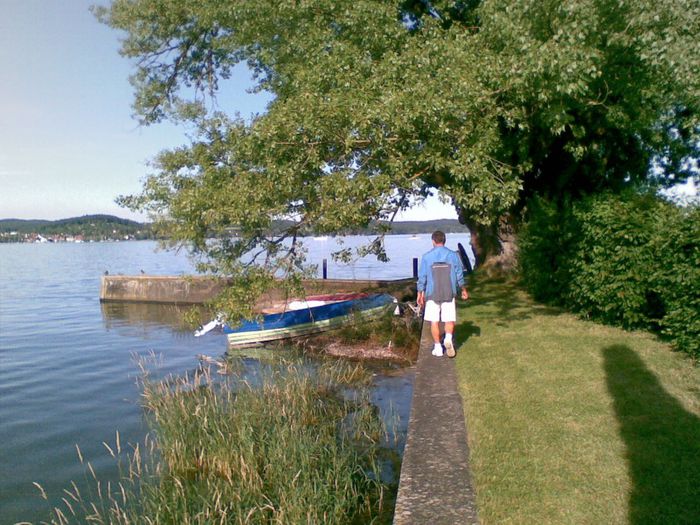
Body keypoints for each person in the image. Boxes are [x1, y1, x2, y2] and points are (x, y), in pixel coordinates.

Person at [416, 231, 469, 357]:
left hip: (432, 293)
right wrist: (463, 289)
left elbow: (422, 277)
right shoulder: (453, 255)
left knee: (434, 321)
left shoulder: (427, 257)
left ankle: (438, 347)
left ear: (433, 241)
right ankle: (448, 338)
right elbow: (459, 274)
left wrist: (420, 292)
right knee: (449, 318)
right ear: (444, 240)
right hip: (449, 292)